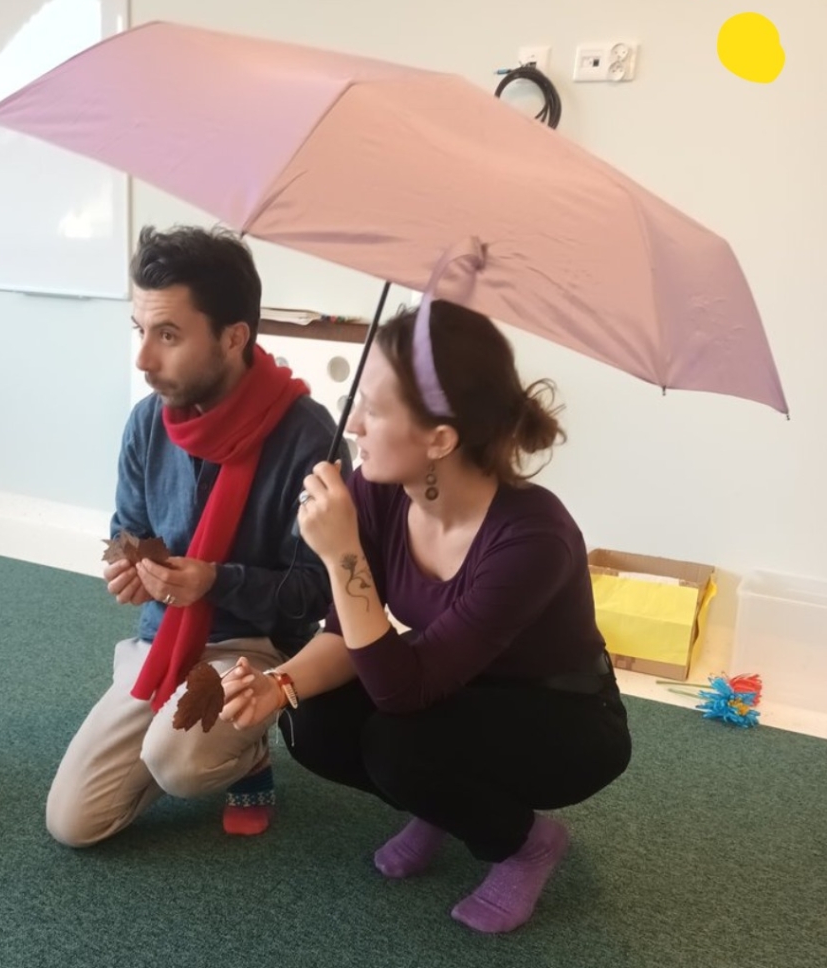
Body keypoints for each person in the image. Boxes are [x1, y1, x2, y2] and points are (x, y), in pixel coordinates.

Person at [221, 298, 632, 933]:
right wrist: (279, 685)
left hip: (565, 714)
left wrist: (342, 553)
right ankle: (446, 804)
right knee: (312, 721)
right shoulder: (377, 490)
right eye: (358, 400)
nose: (355, 422)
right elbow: (346, 635)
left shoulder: (534, 537)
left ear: (440, 438)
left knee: (400, 748)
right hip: (453, 685)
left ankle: (526, 843)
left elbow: (401, 691)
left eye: (375, 408)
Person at [46, 225, 349, 844]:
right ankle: (173, 720)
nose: (143, 359)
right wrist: (127, 566)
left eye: (168, 335)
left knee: (179, 764)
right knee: (74, 825)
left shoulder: (310, 439)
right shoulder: (147, 421)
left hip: (254, 646)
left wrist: (215, 581)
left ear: (233, 337)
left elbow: (316, 593)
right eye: (139, 330)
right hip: (165, 636)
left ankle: (248, 756)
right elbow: (127, 529)